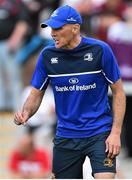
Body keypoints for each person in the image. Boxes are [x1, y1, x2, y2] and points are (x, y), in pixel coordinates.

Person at [14, 5, 126, 179]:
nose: (52, 33)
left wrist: (115, 133)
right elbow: (36, 93)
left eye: (58, 28)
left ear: (75, 28)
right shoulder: (47, 56)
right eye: (51, 28)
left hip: (99, 133)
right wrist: (26, 112)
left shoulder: (100, 51)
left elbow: (118, 92)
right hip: (66, 136)